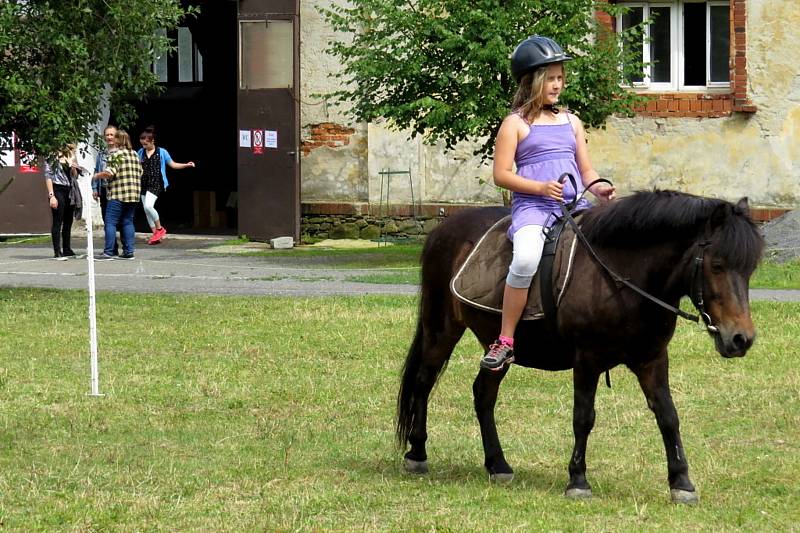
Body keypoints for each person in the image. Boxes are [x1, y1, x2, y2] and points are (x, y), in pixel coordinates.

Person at [479, 35, 616, 371]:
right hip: (534, 209)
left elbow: (585, 170)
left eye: (560, 78)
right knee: (525, 260)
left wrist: (599, 188)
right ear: (532, 81)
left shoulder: (572, 121)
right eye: (551, 78)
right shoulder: (515, 125)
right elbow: (501, 174)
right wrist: (539, 188)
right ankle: (506, 341)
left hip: (574, 208)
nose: (557, 85)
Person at [137, 126, 195, 245]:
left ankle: (159, 229)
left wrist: (186, 165)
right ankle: (155, 235)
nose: (144, 146)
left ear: (152, 141)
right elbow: (137, 167)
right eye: (142, 144)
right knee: (146, 210)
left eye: (146, 144)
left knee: (148, 206)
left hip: (157, 183)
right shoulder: (140, 152)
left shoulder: (162, 152)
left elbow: (172, 164)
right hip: (143, 183)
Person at [93, 130, 142, 260]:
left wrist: (97, 176)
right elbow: (141, 172)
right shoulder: (135, 154)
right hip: (134, 194)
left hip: (118, 194)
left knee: (110, 222)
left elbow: (109, 173)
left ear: (118, 140)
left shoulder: (117, 155)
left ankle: (109, 251)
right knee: (127, 222)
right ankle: (129, 251)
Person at [44, 145, 83, 260]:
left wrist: (74, 168)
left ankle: (67, 249)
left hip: (70, 190)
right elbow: (48, 176)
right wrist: (51, 196)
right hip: (58, 189)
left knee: (68, 221)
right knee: (58, 220)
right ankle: (57, 251)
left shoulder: (72, 156)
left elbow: (75, 176)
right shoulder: (52, 156)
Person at [92, 125, 120, 255]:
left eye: (111, 135)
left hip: (117, 190)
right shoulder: (102, 153)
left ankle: (125, 247)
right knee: (106, 219)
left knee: (118, 220)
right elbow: (97, 171)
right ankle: (112, 247)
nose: (109, 137)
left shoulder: (121, 152)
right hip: (104, 189)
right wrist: (94, 188)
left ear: (117, 136)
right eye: (107, 135)